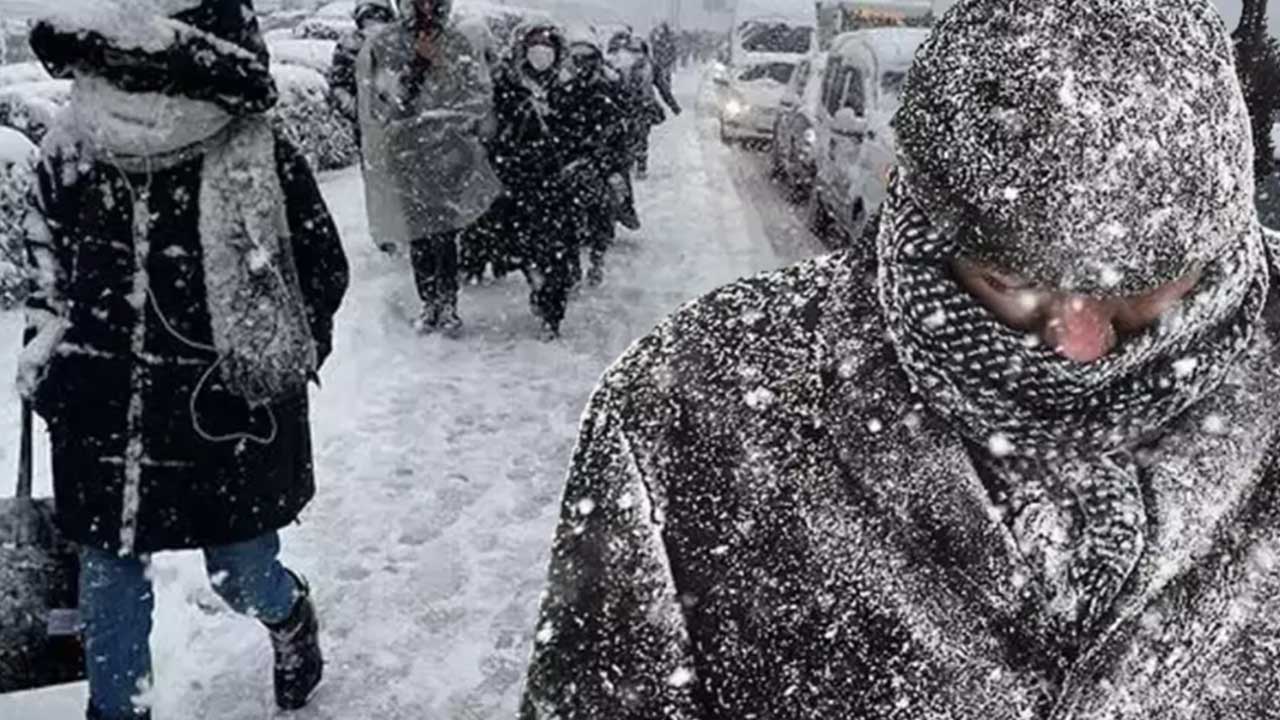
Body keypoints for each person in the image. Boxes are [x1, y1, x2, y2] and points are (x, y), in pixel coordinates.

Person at [518, 0, 1280, 717]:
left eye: (1139, 293)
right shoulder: (692, 401)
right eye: (1010, 282)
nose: (1079, 348)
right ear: (923, 223)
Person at [18, 2, 349, 718]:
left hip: (224, 415)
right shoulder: (70, 150)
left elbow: (320, 271)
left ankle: (287, 614)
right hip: (102, 411)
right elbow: (43, 269)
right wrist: (48, 360)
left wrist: (272, 361)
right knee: (109, 575)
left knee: (242, 574)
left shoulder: (253, 152)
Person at [357, 0, 502, 334]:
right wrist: (418, 66)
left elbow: (477, 93)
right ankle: (429, 301)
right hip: (407, 153)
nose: (425, 6)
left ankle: (448, 302)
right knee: (418, 230)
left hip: (450, 153)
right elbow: (385, 103)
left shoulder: (457, 42)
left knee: (446, 230)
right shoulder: (387, 44)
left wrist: (456, 122)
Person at [489, 23, 578, 339]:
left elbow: (580, 131)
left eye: (547, 45)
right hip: (519, 181)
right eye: (535, 44)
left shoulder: (570, 87)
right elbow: (495, 132)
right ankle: (537, 285)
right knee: (526, 248)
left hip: (559, 183)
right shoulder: (508, 85)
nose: (541, 51)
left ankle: (552, 312)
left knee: (558, 253)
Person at [554, 27, 633, 287]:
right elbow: (556, 128)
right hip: (571, 163)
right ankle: (573, 266)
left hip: (602, 162)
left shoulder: (609, 88)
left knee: (602, 215)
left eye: (586, 57)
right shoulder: (562, 89)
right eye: (576, 58)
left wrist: (611, 165)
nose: (581, 63)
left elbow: (619, 131)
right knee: (567, 219)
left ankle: (597, 260)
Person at [327, 0, 396, 142]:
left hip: (383, 123)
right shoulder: (351, 43)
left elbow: (338, 85)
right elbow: (339, 86)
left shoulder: (398, 41)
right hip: (384, 122)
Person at [606, 30, 664, 179]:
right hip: (632, 106)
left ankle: (639, 164)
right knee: (633, 136)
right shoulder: (620, 65)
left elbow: (660, 85)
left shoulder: (645, 65)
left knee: (639, 136)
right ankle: (635, 163)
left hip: (640, 106)